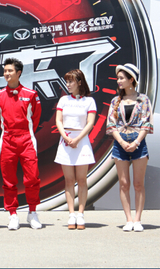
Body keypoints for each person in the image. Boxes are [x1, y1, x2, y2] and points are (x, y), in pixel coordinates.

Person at [0, 58, 42, 230]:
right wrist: (10, 132)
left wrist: (25, 132)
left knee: (32, 178)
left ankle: (32, 212)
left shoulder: (31, 94)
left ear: (19, 73)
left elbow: (36, 117)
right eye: (5, 71)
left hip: (27, 139)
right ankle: (12, 214)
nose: (6, 73)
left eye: (10, 71)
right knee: (9, 180)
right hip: (7, 140)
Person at [106, 63, 153, 232]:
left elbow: (146, 123)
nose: (118, 81)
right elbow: (111, 124)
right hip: (120, 142)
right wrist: (122, 142)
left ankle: (138, 219)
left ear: (131, 79)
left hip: (137, 141)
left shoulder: (143, 99)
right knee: (124, 183)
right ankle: (128, 219)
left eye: (121, 78)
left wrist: (136, 142)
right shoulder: (115, 101)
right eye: (118, 78)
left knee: (138, 184)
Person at [54, 69, 96, 230]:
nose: (68, 84)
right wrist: (65, 137)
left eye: (71, 81)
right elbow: (59, 120)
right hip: (66, 140)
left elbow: (90, 123)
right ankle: (71, 214)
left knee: (82, 179)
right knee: (69, 180)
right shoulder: (63, 100)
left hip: (82, 141)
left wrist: (77, 139)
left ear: (79, 82)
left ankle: (81, 214)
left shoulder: (89, 101)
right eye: (67, 81)